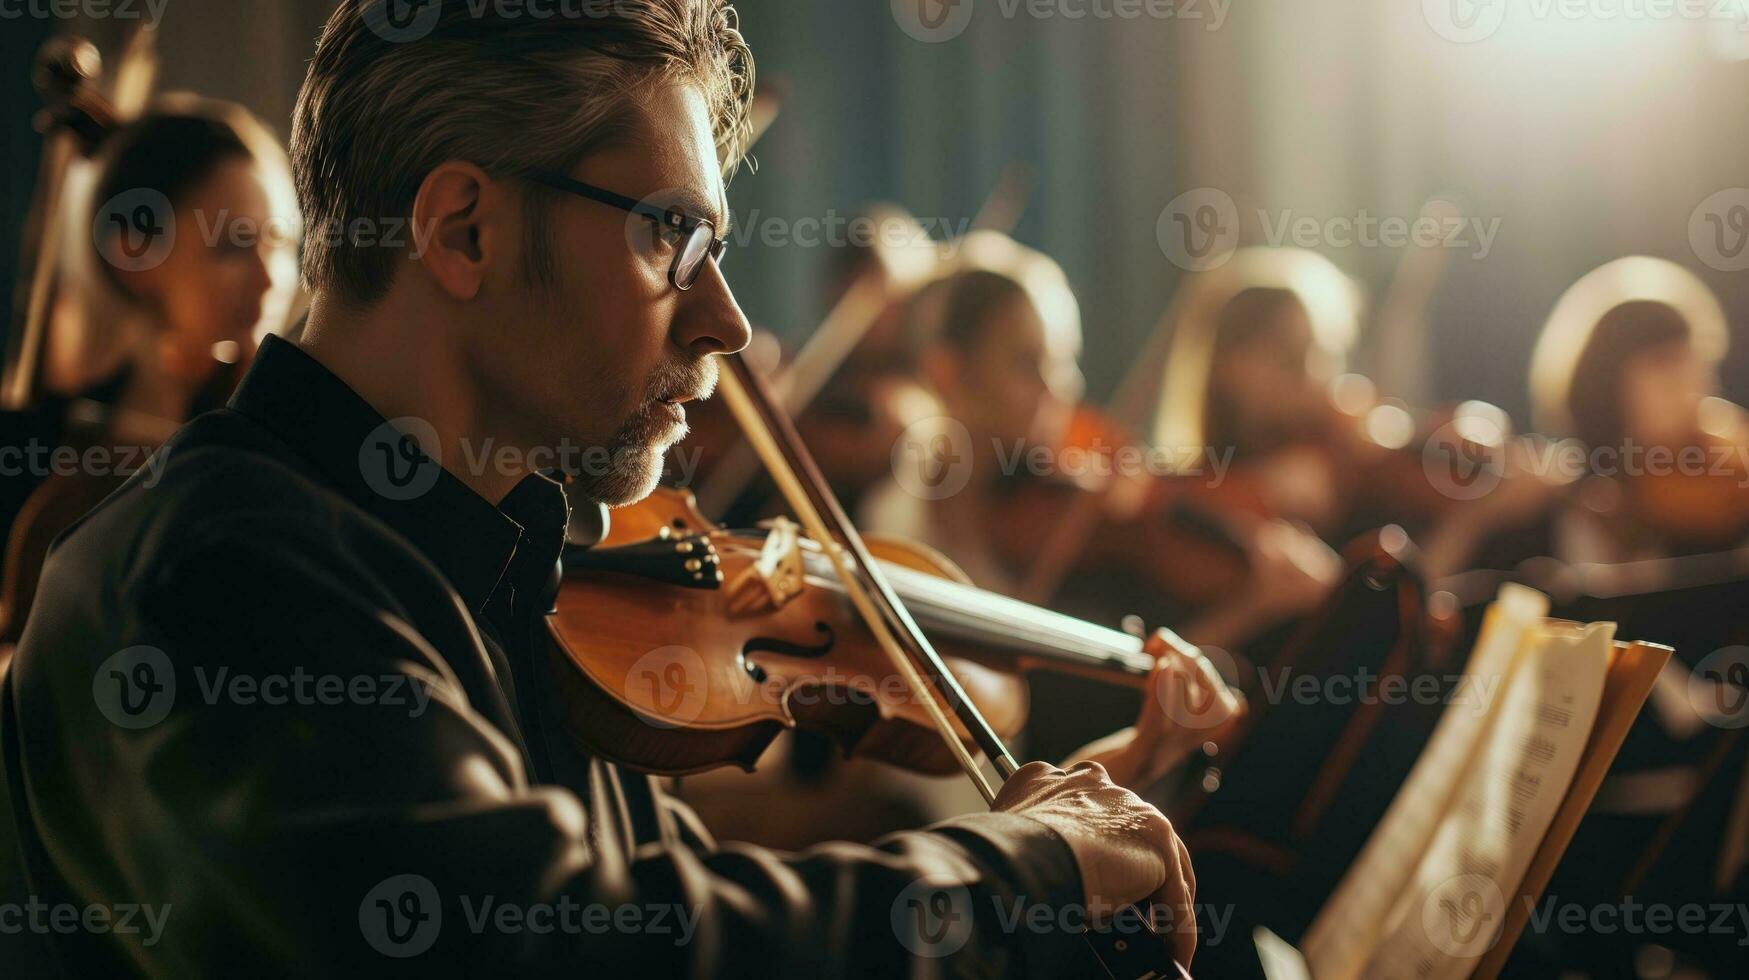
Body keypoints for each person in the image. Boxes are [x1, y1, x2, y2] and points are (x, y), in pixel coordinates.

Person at [0, 2, 1228, 975]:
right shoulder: (214, 573)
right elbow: (567, 944)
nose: (730, 321)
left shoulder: (492, 566)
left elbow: (685, 908)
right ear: (464, 231)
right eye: (673, 240)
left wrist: (1055, 860)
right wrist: (1020, 869)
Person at [0, 94, 296, 648]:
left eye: (279, 242)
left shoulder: (283, 439)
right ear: (133, 251)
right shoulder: (32, 457)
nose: (269, 279)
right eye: (233, 245)